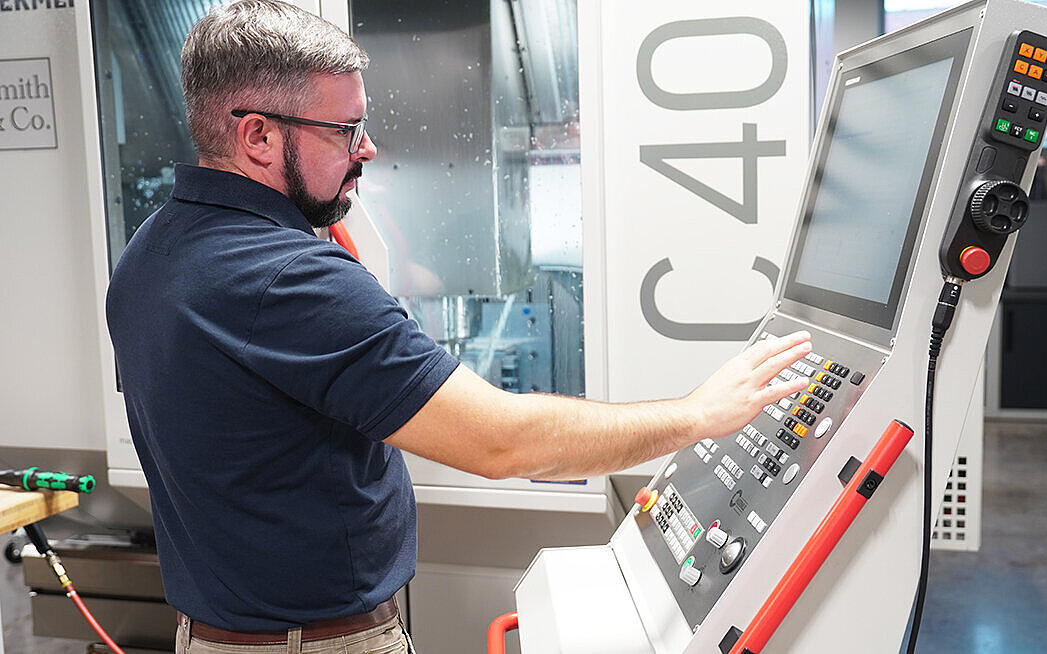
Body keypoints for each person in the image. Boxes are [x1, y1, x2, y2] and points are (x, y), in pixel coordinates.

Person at [104, 1, 812, 653]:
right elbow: (505, 442)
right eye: (345, 130)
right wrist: (698, 414)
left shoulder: (152, 251)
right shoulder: (291, 280)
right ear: (257, 135)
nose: (369, 149)